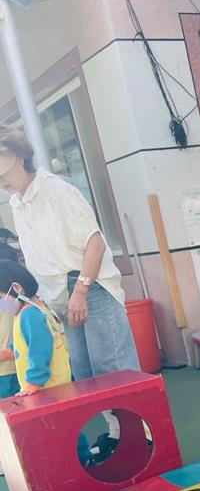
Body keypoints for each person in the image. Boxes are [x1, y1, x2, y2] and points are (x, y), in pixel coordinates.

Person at [0, 127, 139, 380]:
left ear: (19, 158)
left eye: (3, 174)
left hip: (88, 287)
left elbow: (95, 243)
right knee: (84, 377)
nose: (2, 182)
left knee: (113, 373)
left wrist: (81, 291)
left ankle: (134, 411)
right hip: (59, 297)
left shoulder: (56, 191)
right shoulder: (17, 203)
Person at [0, 260, 71, 395]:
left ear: (17, 288)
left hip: (48, 389)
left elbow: (40, 349)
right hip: (53, 386)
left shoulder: (29, 315)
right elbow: (29, 342)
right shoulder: (38, 308)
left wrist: (33, 383)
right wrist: (9, 351)